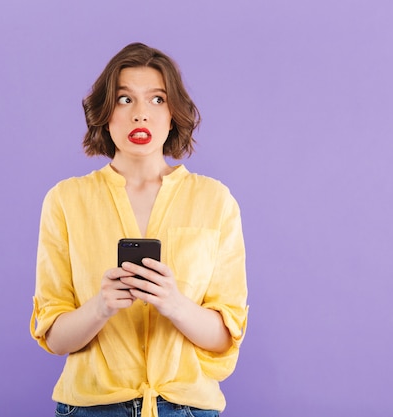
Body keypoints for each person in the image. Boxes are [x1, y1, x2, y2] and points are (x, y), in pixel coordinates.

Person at [30, 42, 248, 417]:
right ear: (105, 112)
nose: (141, 115)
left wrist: (174, 304)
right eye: (125, 100)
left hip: (188, 409)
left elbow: (225, 337)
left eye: (158, 99)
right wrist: (101, 306)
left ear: (174, 113)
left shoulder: (216, 200)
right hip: (92, 408)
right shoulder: (65, 200)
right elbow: (54, 335)